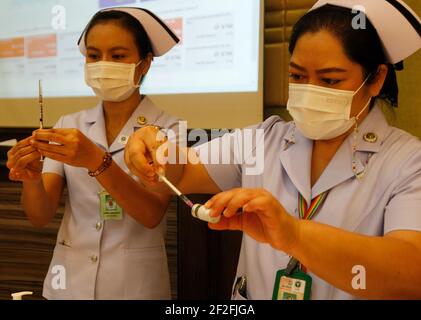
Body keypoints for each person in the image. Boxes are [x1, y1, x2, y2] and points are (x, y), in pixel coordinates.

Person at [124, 0, 421, 299]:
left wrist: (294, 234)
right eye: (297, 76)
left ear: (376, 79)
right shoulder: (265, 140)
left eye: (330, 80)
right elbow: (184, 169)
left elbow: (411, 271)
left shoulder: (408, 162)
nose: (310, 90)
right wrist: (153, 145)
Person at [7, 7, 182, 300]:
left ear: (145, 64)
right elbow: (40, 215)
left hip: (133, 287)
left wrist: (96, 160)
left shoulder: (168, 128)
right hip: (68, 284)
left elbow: (151, 213)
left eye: (117, 56)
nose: (103, 65)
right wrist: (32, 178)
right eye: (93, 55)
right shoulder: (69, 125)